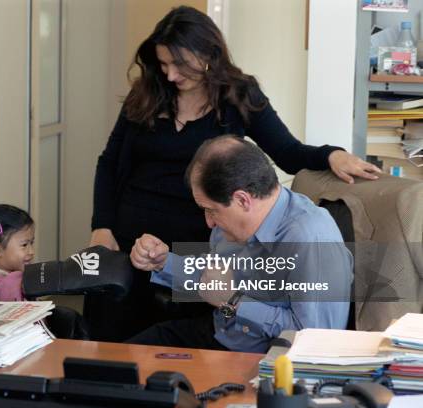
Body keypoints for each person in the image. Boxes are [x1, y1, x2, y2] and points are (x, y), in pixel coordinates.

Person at [85, 5, 378, 342]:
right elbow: (109, 162)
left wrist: (331, 154)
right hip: (134, 237)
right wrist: (102, 226)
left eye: (178, 64)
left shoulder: (239, 95)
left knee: (208, 338)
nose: (169, 75)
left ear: (207, 54)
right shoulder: (147, 93)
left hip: (200, 242)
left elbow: (287, 152)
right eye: (163, 64)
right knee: (111, 338)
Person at [127, 136, 353, 352]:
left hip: (265, 361)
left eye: (211, 210)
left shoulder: (310, 237)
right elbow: (213, 284)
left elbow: (315, 339)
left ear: (243, 200)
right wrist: (163, 263)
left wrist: (233, 301)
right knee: (118, 366)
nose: (209, 222)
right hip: (220, 335)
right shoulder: (230, 226)